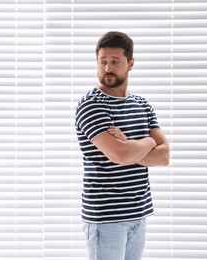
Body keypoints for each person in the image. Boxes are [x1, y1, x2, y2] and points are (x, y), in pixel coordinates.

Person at [75, 31, 170, 260]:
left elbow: (164, 155)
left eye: (115, 62)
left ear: (130, 63)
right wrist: (148, 142)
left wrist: (130, 146)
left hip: (139, 214)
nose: (108, 68)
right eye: (103, 61)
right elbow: (119, 155)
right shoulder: (91, 105)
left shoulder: (142, 105)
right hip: (106, 219)